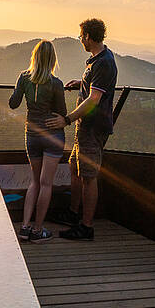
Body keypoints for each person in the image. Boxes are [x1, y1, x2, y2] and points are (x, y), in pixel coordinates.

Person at [46, 18, 117, 240]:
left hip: (92, 128)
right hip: (85, 127)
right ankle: (73, 213)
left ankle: (86, 227)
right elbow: (95, 89)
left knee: (88, 175)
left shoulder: (103, 62)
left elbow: (94, 100)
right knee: (76, 169)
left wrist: (67, 119)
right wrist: (82, 84)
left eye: (81, 36)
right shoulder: (98, 60)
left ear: (87, 36)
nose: (80, 40)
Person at [9, 39, 68, 243]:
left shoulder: (24, 78)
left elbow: (13, 103)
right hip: (52, 136)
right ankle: (38, 230)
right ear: (52, 60)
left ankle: (24, 227)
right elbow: (62, 113)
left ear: (34, 57)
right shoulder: (56, 84)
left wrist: (20, 87)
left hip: (32, 135)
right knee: (46, 184)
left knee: (34, 181)